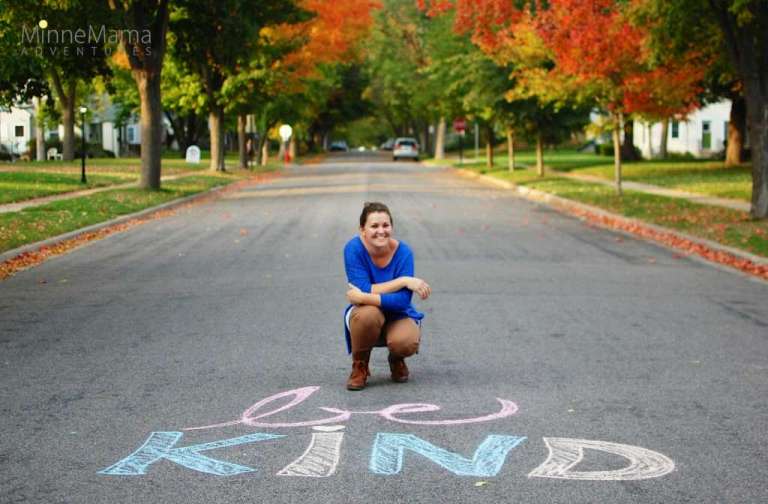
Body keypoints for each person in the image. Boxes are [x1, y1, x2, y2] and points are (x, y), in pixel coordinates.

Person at [343, 202, 431, 391]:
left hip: (397, 313)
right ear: (362, 229)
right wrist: (403, 281)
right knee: (368, 316)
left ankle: (396, 358)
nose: (381, 231)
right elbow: (363, 286)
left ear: (391, 227)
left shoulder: (404, 253)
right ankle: (360, 365)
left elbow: (402, 301)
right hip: (367, 313)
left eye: (385, 225)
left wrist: (362, 297)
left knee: (406, 342)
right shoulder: (353, 249)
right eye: (374, 226)